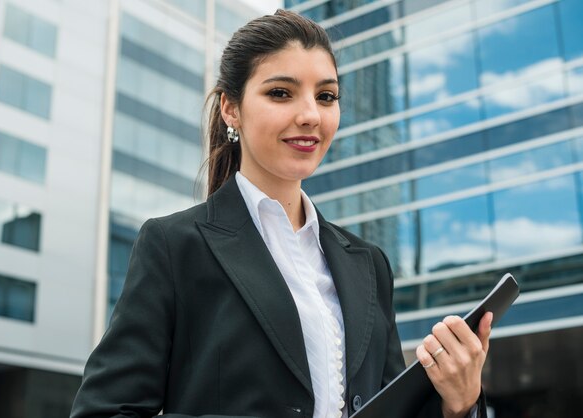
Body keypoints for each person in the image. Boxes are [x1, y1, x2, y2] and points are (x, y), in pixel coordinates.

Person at [70, 9, 493, 418]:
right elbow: (104, 411)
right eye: (280, 93)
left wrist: (458, 405)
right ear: (230, 109)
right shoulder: (175, 246)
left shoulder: (369, 265)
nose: (310, 114)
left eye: (325, 96)